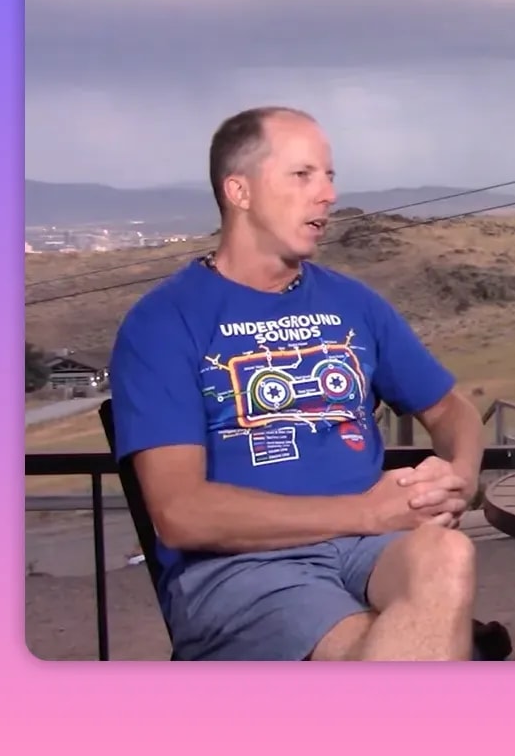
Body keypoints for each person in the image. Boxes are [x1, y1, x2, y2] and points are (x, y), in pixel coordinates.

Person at [108, 106, 486, 661]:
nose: (327, 194)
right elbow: (180, 513)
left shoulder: (352, 303)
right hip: (243, 566)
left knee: (448, 555)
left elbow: (453, 411)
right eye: (303, 175)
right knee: (381, 647)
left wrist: (456, 479)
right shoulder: (164, 323)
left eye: (330, 176)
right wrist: (366, 512)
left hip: (372, 548)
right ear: (239, 191)